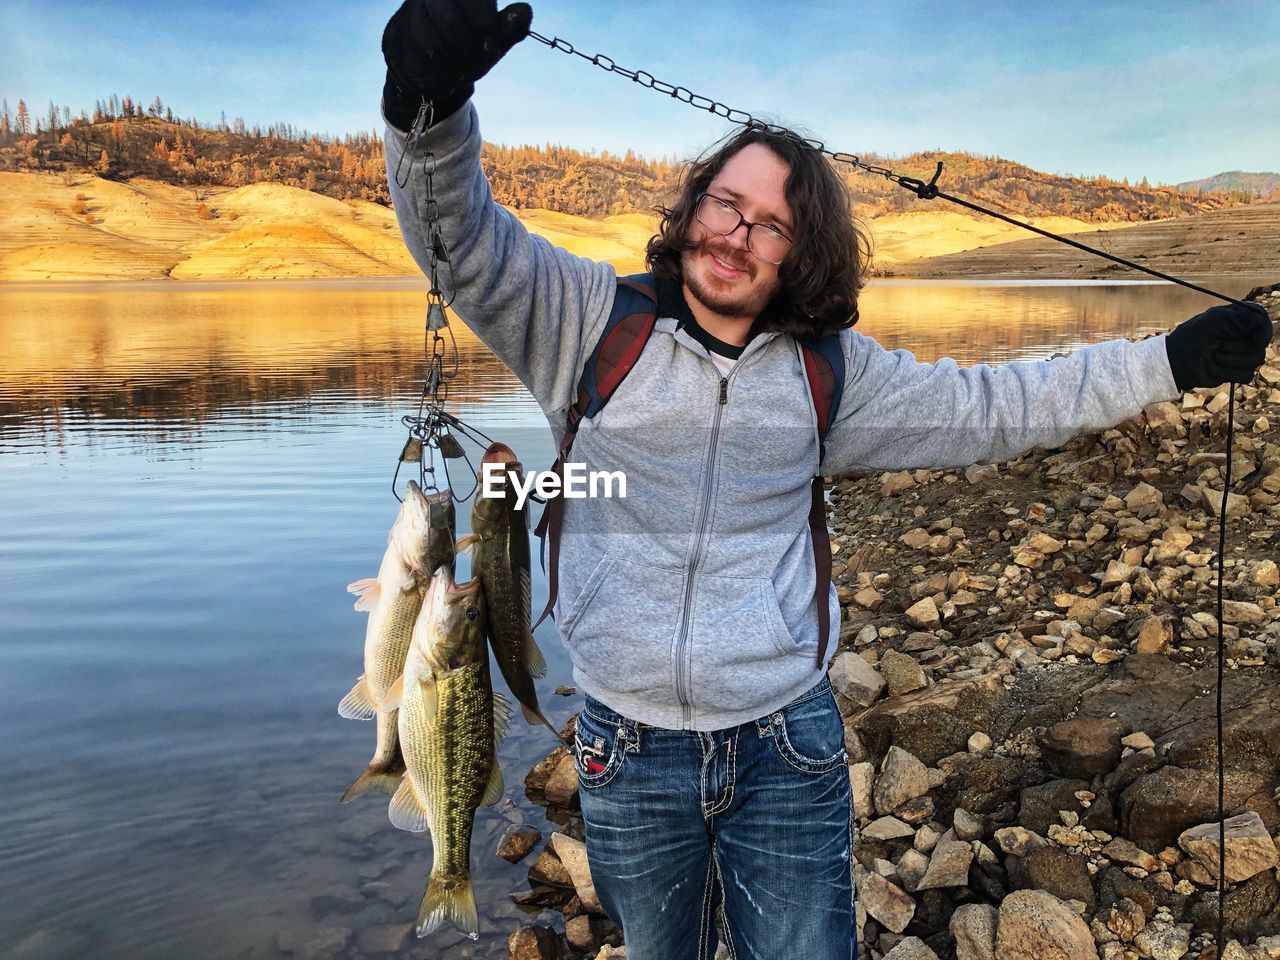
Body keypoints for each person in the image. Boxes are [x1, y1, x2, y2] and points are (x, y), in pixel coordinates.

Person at [378, 2, 1275, 957]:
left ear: (800, 255)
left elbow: (999, 404)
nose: (738, 235)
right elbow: (458, 244)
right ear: (690, 209)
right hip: (624, 747)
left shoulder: (833, 375)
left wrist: (1168, 362)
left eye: (773, 226)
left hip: (785, 745)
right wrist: (425, 106)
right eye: (727, 204)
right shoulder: (589, 322)